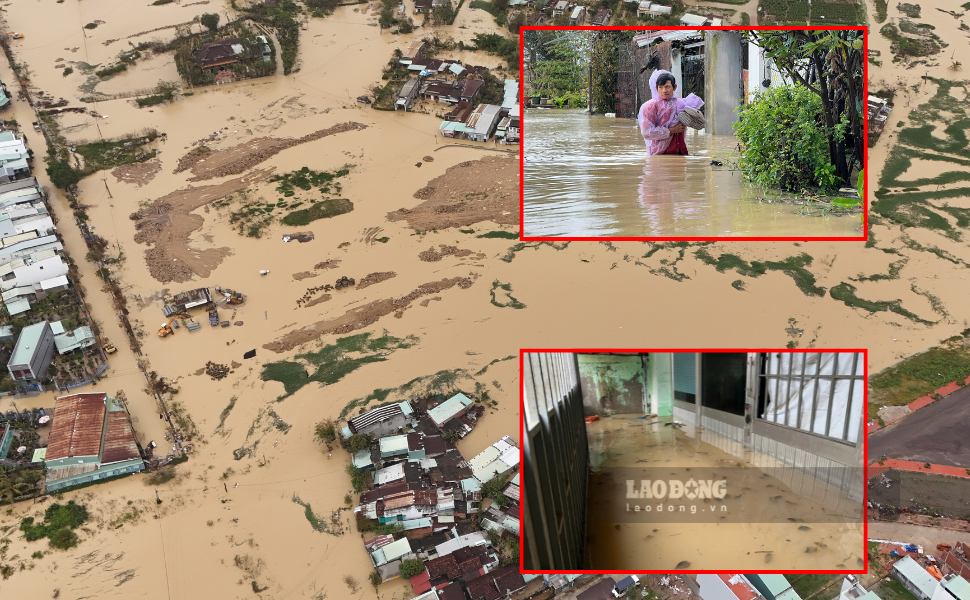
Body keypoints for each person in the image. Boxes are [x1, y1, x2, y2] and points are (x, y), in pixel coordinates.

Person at [637, 70, 705, 156]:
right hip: (659, 152)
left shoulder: (681, 104)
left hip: (680, 148)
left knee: (680, 166)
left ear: (674, 87)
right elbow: (647, 132)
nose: (664, 90)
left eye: (667, 87)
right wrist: (672, 130)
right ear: (656, 88)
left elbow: (699, 123)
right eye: (660, 87)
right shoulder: (650, 106)